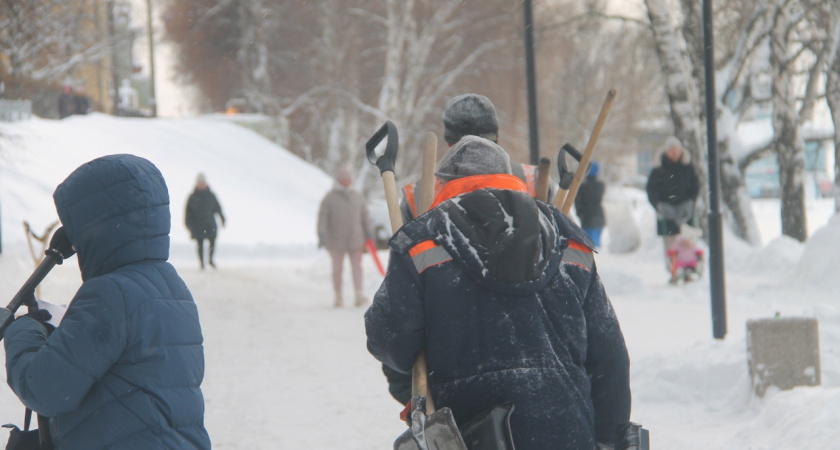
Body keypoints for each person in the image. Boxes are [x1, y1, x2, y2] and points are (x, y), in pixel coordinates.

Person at [365, 136, 631, 449]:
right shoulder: (569, 238)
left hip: (471, 434)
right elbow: (609, 360)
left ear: (442, 185)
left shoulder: (422, 240)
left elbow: (390, 342)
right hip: (567, 430)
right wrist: (609, 440)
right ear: (513, 179)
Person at [4, 154, 211, 449]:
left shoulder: (110, 293)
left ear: (96, 226)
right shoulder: (170, 286)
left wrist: (22, 331)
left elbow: (47, 389)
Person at [399, 93, 551, 223]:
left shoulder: (417, 194)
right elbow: (568, 250)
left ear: (449, 143)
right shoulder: (534, 181)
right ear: (496, 138)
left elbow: (401, 253)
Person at [317, 165, 373, 307]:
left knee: (357, 268)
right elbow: (322, 218)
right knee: (337, 270)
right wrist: (321, 234)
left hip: (356, 239)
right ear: (338, 180)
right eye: (343, 179)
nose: (346, 181)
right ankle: (338, 296)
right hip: (335, 241)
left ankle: (358, 295)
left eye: (348, 179)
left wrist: (369, 232)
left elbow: (365, 216)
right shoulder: (329, 198)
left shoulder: (357, 197)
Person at [645, 136, 700, 271]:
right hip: (666, 211)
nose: (674, 153)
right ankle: (673, 268)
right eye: (671, 150)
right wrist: (658, 205)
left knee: (687, 240)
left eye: (677, 150)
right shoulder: (658, 169)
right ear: (666, 151)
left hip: (685, 211)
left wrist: (690, 201)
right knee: (670, 242)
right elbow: (651, 189)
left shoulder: (687, 167)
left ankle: (689, 265)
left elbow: (695, 186)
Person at [186, 172, 225, 269]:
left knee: (212, 241)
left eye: (203, 183)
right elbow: (187, 212)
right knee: (200, 244)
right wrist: (189, 225)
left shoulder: (211, 195)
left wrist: (222, 218)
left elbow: (218, 208)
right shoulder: (192, 197)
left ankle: (211, 260)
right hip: (198, 225)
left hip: (210, 224)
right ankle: (202, 263)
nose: (201, 185)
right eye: (200, 183)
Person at [574, 161, 606, 248]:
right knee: (597, 245)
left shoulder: (582, 187)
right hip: (599, 217)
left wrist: (580, 214)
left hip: (587, 218)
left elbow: (578, 203)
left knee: (588, 246)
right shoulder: (601, 186)